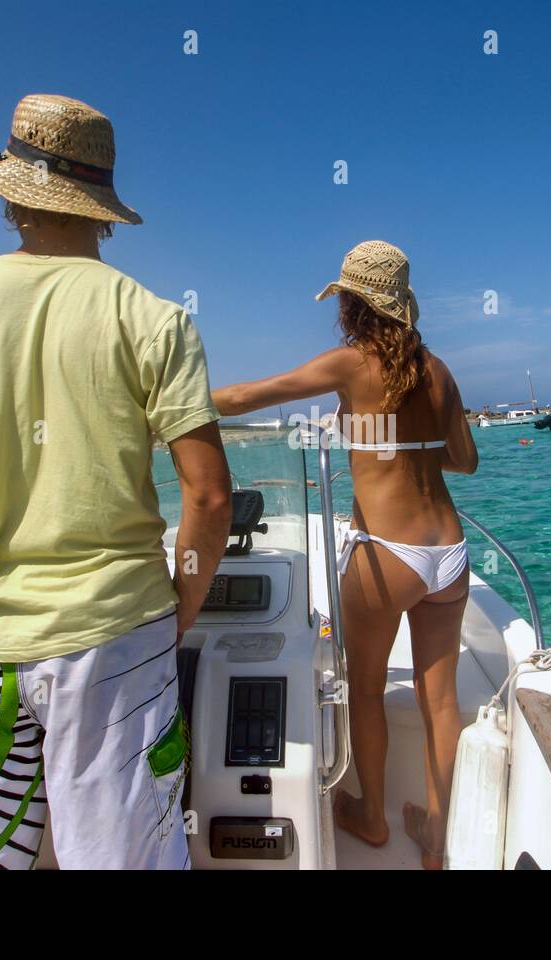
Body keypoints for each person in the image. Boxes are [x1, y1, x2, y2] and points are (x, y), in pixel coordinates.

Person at [0, 94, 231, 870]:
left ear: (7, 195)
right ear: (102, 209)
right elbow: (207, 495)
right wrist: (178, 611)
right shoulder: (153, 319)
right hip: (118, 637)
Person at [211, 240, 478, 869]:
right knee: (440, 701)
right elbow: (465, 460)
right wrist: (409, 441)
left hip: (388, 554)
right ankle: (437, 838)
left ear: (353, 305)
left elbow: (254, 393)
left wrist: (160, 405)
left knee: (365, 688)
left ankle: (371, 815)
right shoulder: (438, 369)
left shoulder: (351, 364)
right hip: (450, 550)